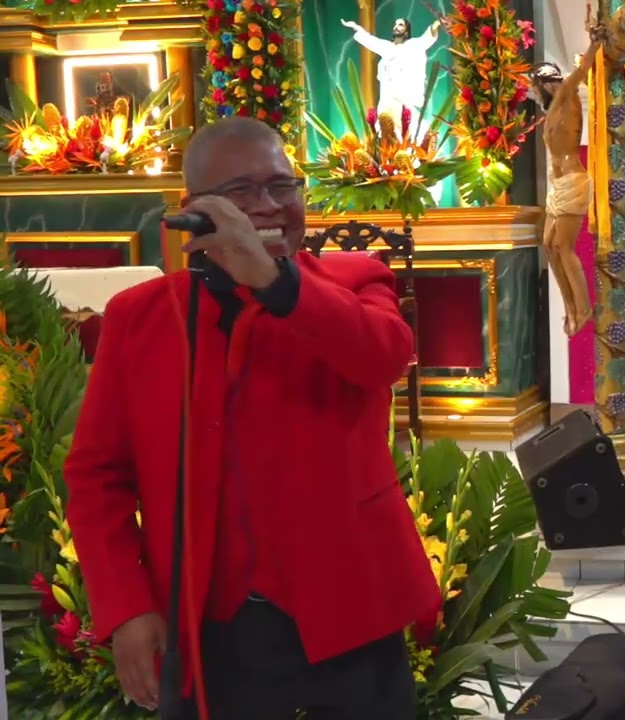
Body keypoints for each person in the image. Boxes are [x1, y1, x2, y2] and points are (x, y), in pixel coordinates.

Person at [63, 117, 438, 720]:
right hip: (207, 625)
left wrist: (271, 278)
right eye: (240, 191)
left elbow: (384, 357)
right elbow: (97, 477)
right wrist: (127, 606)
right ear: (193, 210)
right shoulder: (140, 317)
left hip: (350, 614)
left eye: (281, 186)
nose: (267, 205)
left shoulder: (355, 279)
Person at [530, 29, 604, 336]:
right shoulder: (552, 109)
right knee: (549, 245)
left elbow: (581, 70)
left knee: (564, 245)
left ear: (548, 82)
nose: (537, 93)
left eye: (538, 86)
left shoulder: (567, 95)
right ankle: (571, 307)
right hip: (558, 186)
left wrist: (595, 43)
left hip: (573, 181)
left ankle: (584, 307)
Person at [341, 17, 443, 143]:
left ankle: (415, 147)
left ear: (406, 32)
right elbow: (370, 40)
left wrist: (436, 24)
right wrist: (356, 27)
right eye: (395, 24)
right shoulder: (387, 47)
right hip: (387, 96)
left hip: (403, 96)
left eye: (400, 25)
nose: (396, 27)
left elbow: (426, 39)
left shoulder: (413, 45)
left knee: (408, 127)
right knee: (386, 129)